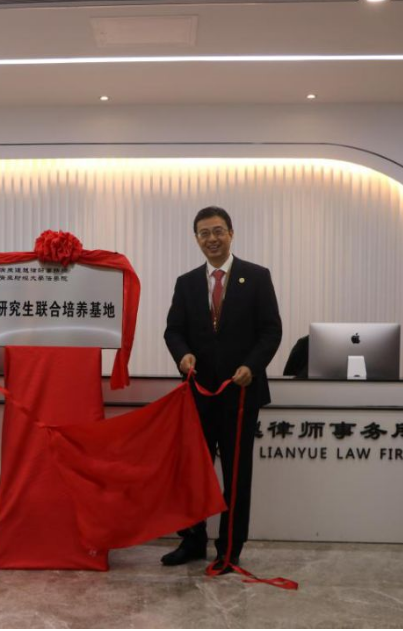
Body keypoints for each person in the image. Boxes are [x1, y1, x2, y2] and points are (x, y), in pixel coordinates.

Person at [163, 206, 282, 573]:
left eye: (218, 231)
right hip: (199, 393)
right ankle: (192, 540)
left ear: (231, 233)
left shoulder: (256, 277)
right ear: (196, 238)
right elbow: (173, 331)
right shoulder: (186, 283)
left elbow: (271, 331)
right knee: (194, 472)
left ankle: (230, 548)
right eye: (204, 233)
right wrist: (182, 356)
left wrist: (252, 366)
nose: (211, 239)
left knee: (236, 474)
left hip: (240, 395)